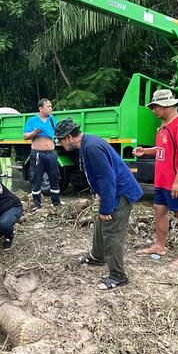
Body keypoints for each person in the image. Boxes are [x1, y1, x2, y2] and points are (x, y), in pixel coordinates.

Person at [55, 118, 143, 290]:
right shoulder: (87, 144)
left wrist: (106, 207)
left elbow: (107, 178)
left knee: (111, 232)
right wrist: (99, 193)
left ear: (68, 138)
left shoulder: (91, 147)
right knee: (100, 224)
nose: (60, 144)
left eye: (60, 140)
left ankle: (118, 276)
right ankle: (97, 257)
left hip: (121, 192)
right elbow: (100, 174)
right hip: (113, 190)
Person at [134, 90, 178, 268]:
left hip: (177, 182)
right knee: (159, 210)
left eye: (155, 107)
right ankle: (159, 246)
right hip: (162, 180)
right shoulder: (164, 126)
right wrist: (146, 151)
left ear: (167, 106)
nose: (153, 110)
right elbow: (163, 148)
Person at [23, 99, 61, 209]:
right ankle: (37, 204)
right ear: (41, 108)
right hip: (38, 154)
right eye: (48, 106)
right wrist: (35, 132)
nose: (50, 108)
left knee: (54, 177)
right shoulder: (32, 120)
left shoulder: (53, 120)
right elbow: (25, 136)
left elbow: (58, 134)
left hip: (51, 153)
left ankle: (56, 203)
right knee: (36, 178)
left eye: (51, 106)